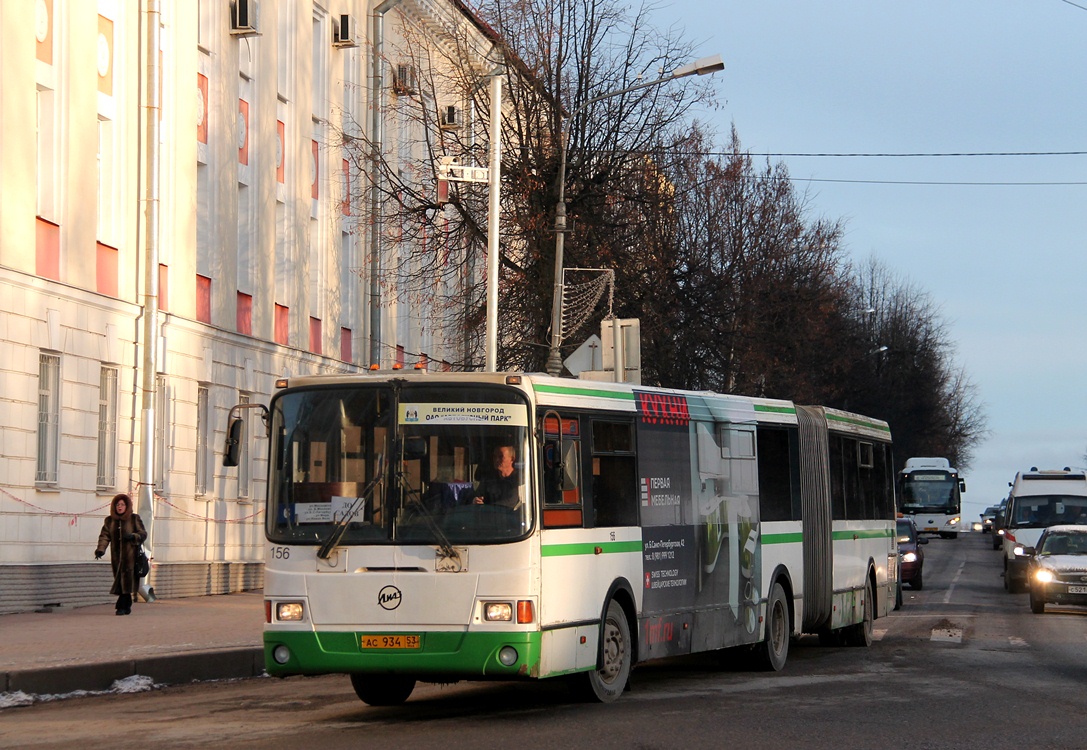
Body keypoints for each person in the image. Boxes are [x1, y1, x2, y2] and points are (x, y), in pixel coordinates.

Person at [94, 493, 148, 615]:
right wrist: (100, 550)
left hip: (131, 556)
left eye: (122, 504)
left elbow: (143, 533)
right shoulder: (109, 521)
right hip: (117, 557)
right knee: (120, 580)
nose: (120, 507)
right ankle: (126, 605)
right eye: (118, 504)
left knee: (127, 580)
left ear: (127, 506)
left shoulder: (134, 518)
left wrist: (133, 536)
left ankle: (122, 606)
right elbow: (104, 536)